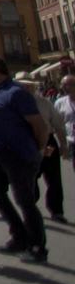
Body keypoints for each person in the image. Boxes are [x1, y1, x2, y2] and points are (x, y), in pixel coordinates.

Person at [0, 55, 50, 262]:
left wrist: (40, 149)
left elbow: (40, 125)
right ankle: (19, 236)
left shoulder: (16, 93)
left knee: (24, 200)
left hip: (16, 154)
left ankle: (37, 247)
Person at [55, 74, 75, 223]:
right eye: (63, 84)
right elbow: (58, 125)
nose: (64, 87)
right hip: (72, 142)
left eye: (67, 84)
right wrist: (63, 145)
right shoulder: (60, 102)